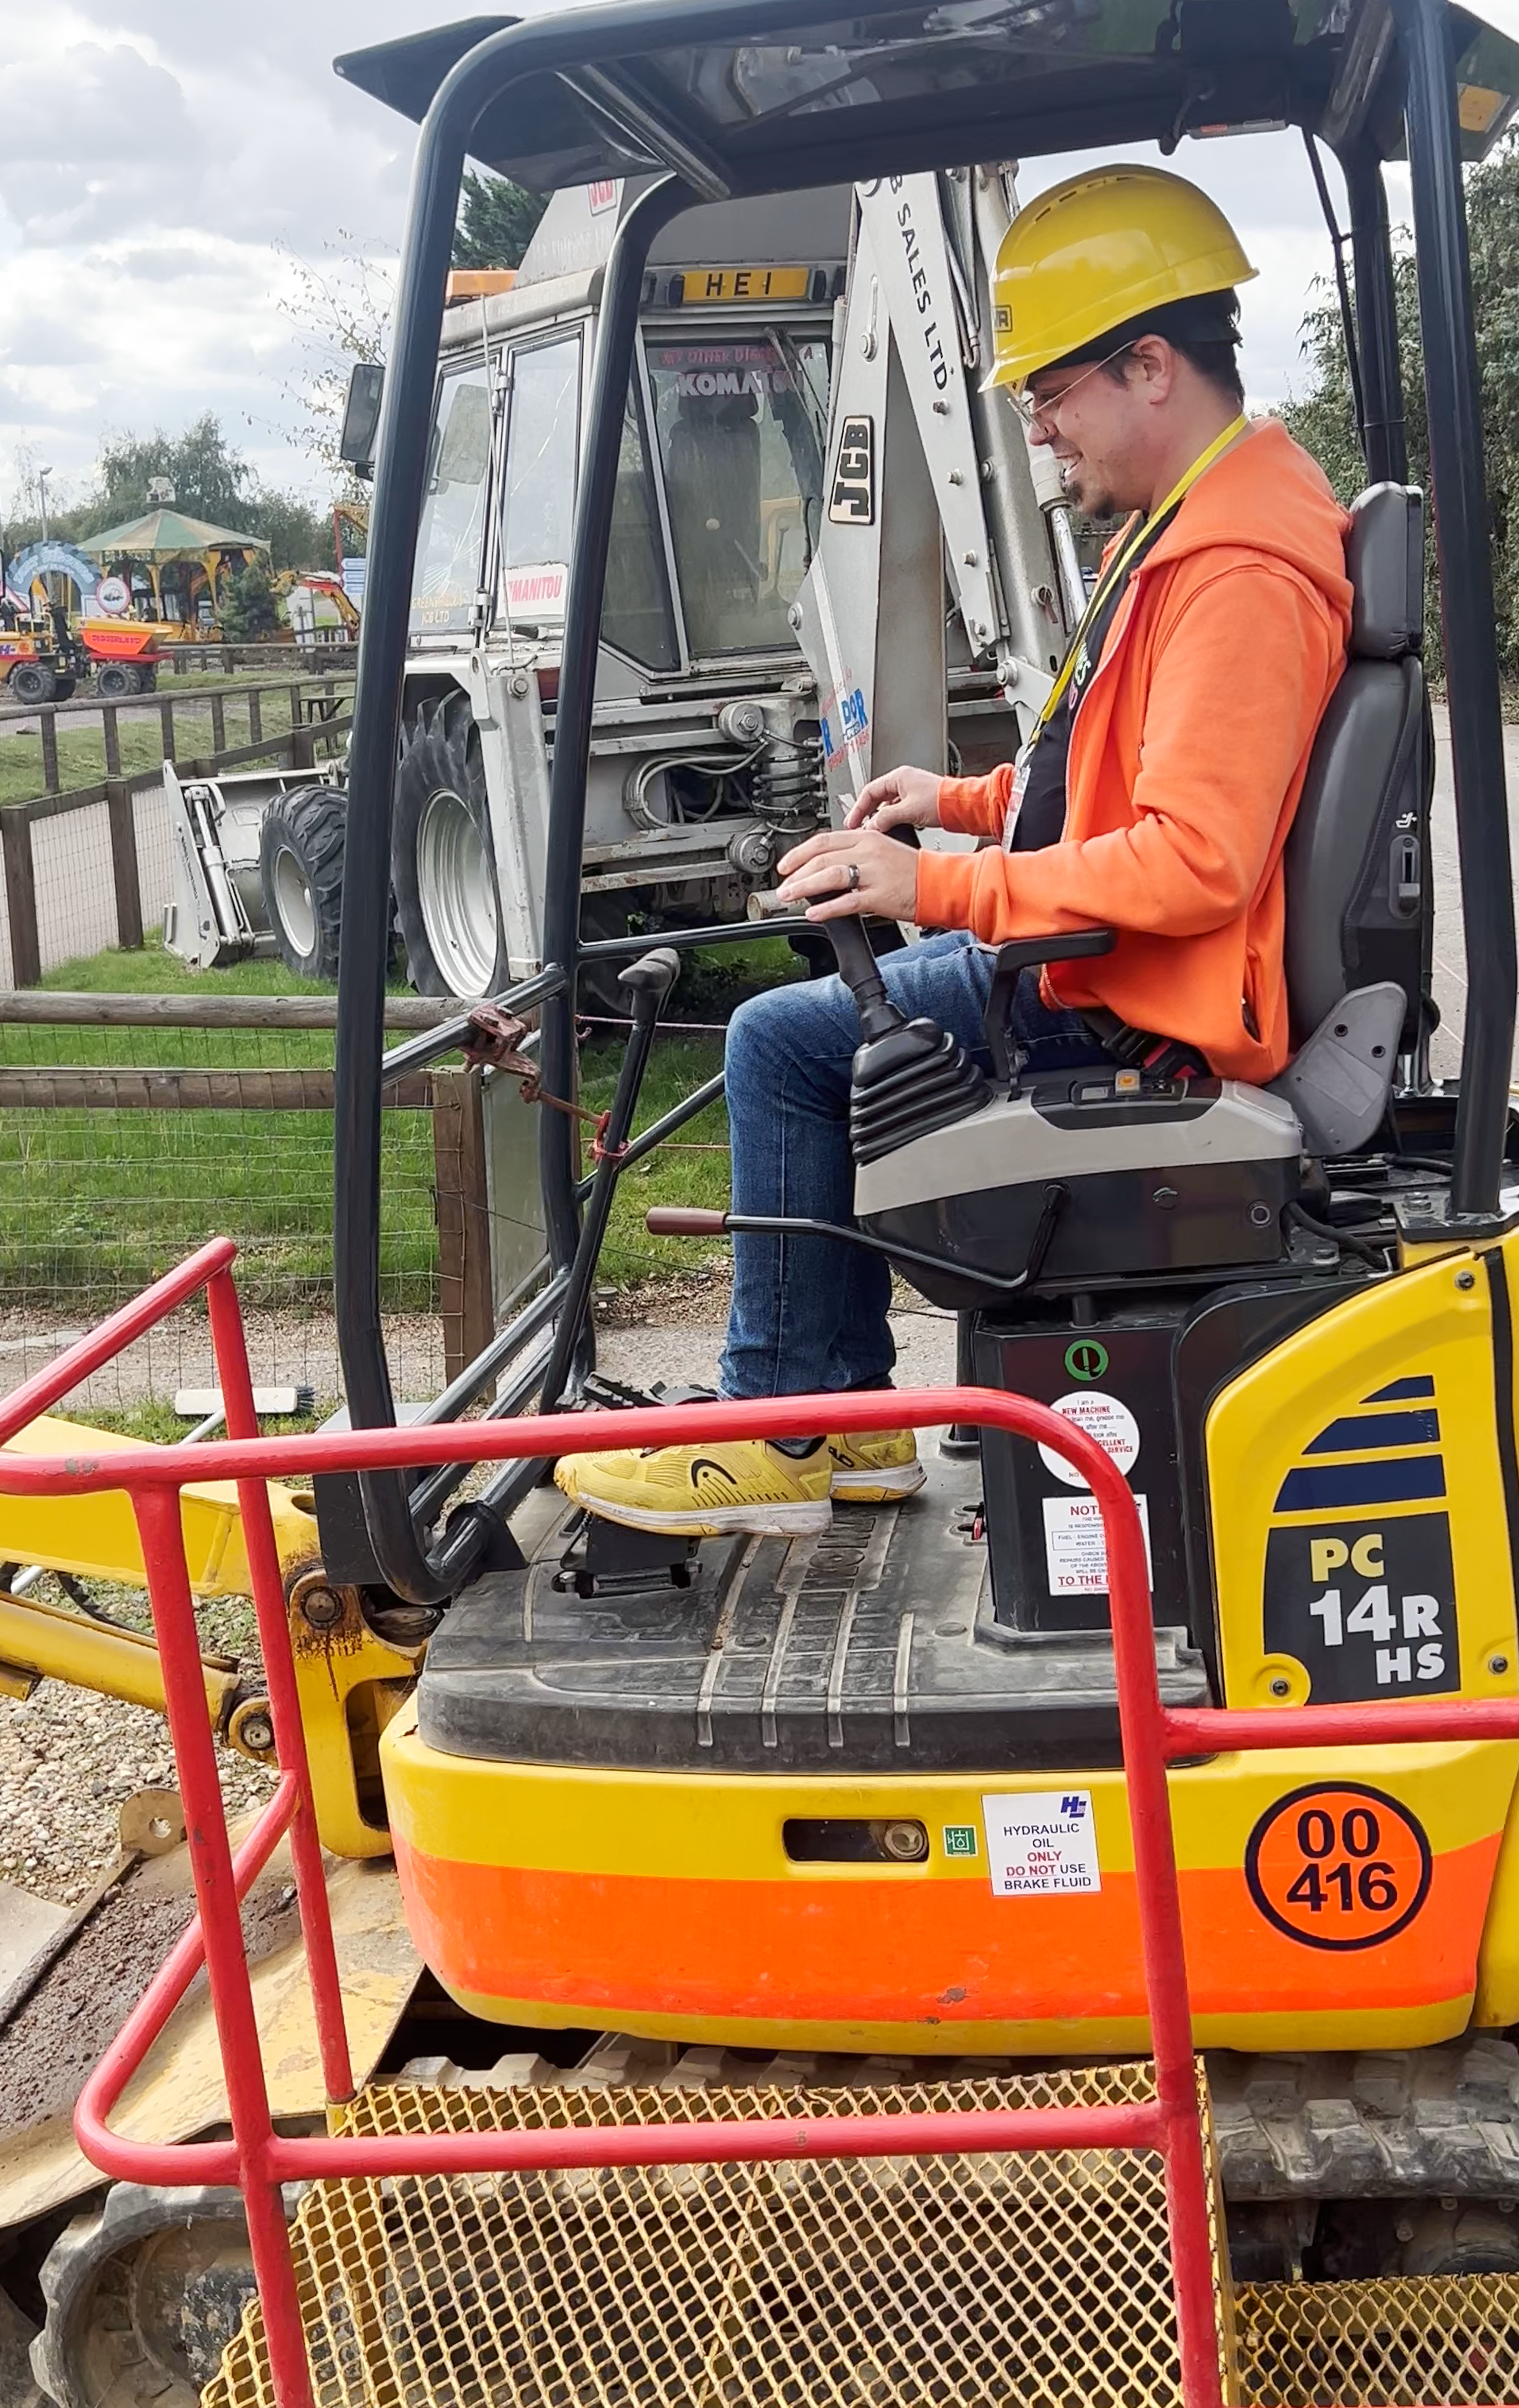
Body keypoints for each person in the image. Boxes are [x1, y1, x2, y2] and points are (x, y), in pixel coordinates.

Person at [558, 164, 1354, 1541]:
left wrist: (932, 886)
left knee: (776, 1043)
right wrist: (969, 800)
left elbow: (1194, 864)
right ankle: (851, 1429)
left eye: (1052, 394)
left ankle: (791, 1428)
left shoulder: (1233, 571)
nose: (1042, 433)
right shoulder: (1208, 523)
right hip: (1130, 969)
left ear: (1149, 367)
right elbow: (1124, 779)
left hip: (1135, 1003)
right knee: (821, 1020)